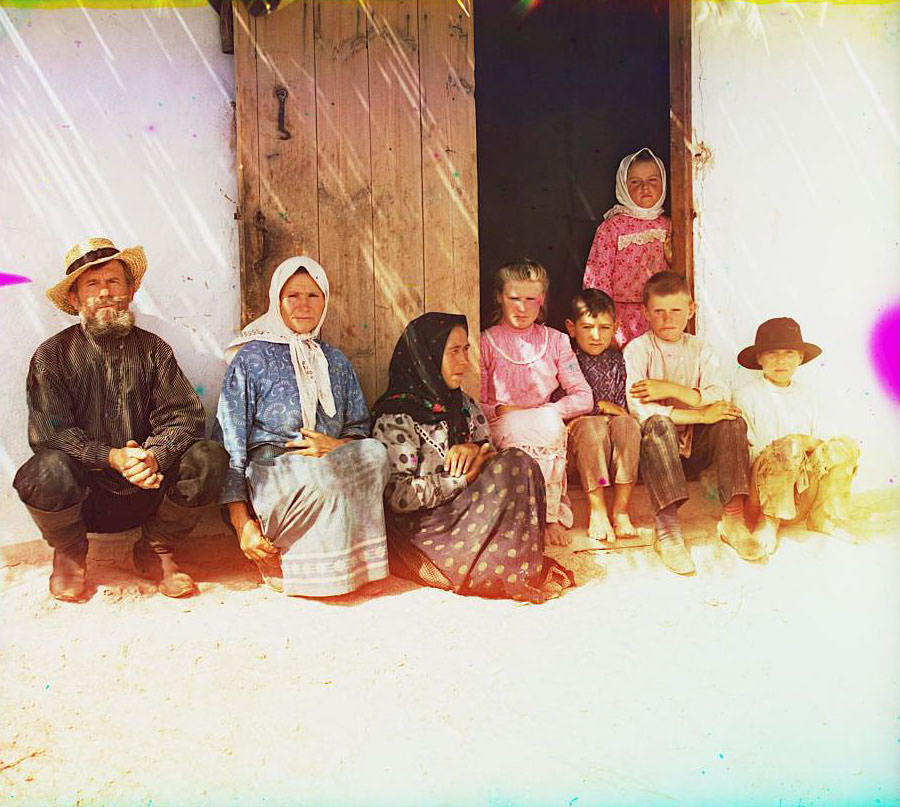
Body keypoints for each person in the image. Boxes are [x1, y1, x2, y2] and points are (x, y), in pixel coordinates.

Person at [13, 237, 228, 602]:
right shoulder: (52, 356)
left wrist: (152, 457)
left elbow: (185, 416)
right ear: (76, 299)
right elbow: (50, 432)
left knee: (209, 457)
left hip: (150, 488)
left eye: (113, 282)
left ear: (130, 290)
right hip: (85, 498)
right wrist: (112, 457)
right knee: (44, 468)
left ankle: (156, 549)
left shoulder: (154, 349)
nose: (105, 293)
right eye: (92, 285)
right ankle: (69, 555)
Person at [214, 256, 390, 597]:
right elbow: (229, 439)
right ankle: (282, 557)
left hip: (331, 463)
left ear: (325, 300)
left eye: (313, 295)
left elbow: (358, 425)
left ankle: (353, 570)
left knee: (376, 454)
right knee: (322, 476)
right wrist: (240, 523)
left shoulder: (335, 360)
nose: (303, 305)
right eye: (293, 295)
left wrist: (335, 446)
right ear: (276, 300)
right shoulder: (250, 358)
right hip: (273, 473)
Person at [372, 313, 574, 603]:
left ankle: (508, 566)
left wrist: (474, 450)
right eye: (454, 351)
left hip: (469, 515)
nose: (465, 361)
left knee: (518, 463)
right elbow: (398, 496)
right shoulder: (396, 417)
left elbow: (490, 457)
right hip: (425, 531)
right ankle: (498, 570)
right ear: (426, 356)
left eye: (465, 349)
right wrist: (459, 479)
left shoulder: (463, 405)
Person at [624, 271, 763, 574]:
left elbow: (719, 392)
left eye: (676, 310)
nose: (667, 319)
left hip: (695, 449)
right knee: (658, 424)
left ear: (691, 309)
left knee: (730, 420)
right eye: (658, 312)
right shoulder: (637, 350)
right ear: (646, 313)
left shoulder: (701, 349)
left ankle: (733, 519)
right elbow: (641, 409)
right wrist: (699, 413)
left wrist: (672, 390)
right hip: (656, 455)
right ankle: (668, 530)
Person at [480, 259, 593, 548]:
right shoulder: (486, 342)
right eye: (513, 298)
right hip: (503, 424)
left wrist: (549, 410)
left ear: (542, 300)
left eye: (531, 299)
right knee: (532, 427)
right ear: (499, 297)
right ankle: (520, 518)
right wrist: (500, 410)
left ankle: (548, 516)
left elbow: (583, 396)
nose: (522, 307)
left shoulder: (555, 341)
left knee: (547, 426)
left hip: (544, 423)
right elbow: (475, 402)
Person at [734, 317, 859, 553]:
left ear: (800, 358)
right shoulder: (747, 396)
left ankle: (823, 516)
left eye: (789, 353)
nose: (781, 360)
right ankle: (769, 521)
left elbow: (824, 440)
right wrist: (792, 447)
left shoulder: (808, 396)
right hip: (763, 490)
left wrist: (803, 442)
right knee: (788, 448)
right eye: (772, 353)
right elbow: (749, 451)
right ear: (759, 358)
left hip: (802, 489)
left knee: (843, 446)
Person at [560, 289, 641, 543]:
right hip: (578, 455)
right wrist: (600, 410)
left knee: (627, 424)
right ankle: (597, 510)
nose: (596, 336)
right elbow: (562, 410)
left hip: (612, 455)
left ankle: (621, 510)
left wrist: (610, 411)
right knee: (593, 427)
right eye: (587, 327)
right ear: (571, 328)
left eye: (605, 328)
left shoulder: (619, 362)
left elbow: (621, 410)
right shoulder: (565, 358)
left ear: (616, 327)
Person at [583, 147, 673, 346]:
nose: (645, 187)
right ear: (623, 185)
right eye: (635, 182)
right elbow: (598, 278)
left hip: (660, 313)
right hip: (620, 317)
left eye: (652, 180)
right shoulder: (611, 228)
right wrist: (604, 320)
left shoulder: (670, 225)